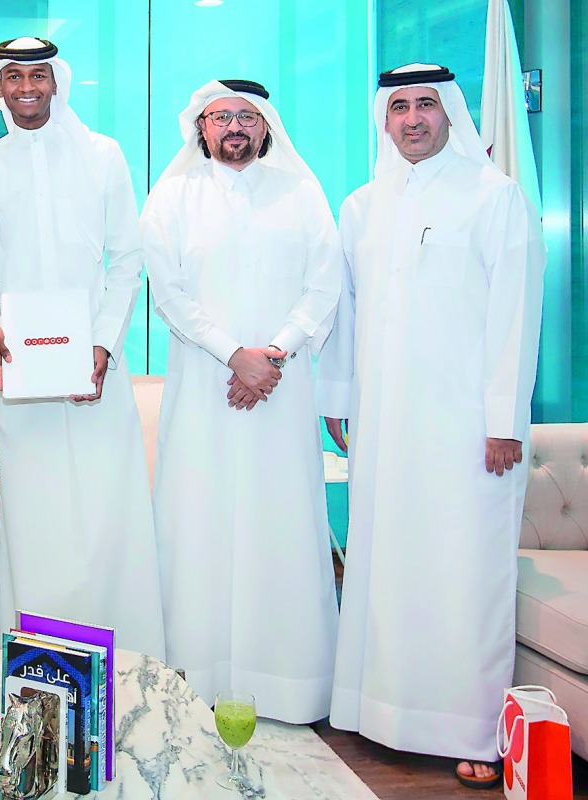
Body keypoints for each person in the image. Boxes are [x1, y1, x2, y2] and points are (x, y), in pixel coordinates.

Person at [317, 64, 545, 789]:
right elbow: (346, 314)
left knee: (464, 571)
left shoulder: (494, 195)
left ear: (450, 112)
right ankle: (379, 712)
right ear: (384, 119)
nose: (412, 118)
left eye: (426, 105)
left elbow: (516, 312)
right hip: (383, 426)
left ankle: (475, 728)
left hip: (467, 425)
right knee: (386, 567)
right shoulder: (361, 206)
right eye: (399, 107)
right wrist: (339, 399)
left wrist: (505, 419)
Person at [140, 79, 342, 723]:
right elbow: (168, 294)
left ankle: (286, 683)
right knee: (198, 523)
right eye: (220, 116)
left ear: (266, 126)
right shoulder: (172, 197)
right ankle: (195, 682)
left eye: (245, 116)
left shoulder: (302, 194)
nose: (233, 126)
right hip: (206, 390)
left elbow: (323, 284)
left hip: (280, 395)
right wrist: (235, 355)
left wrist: (273, 355)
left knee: (279, 522)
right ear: (200, 128)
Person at [0, 38, 165, 657]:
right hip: (23, 373)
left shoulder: (103, 157)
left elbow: (127, 259)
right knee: (38, 523)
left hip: (96, 368)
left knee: (109, 515)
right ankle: (41, 669)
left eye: (38, 76)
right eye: (14, 76)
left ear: (57, 82)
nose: (26, 87)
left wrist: (101, 345)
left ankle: (126, 666)